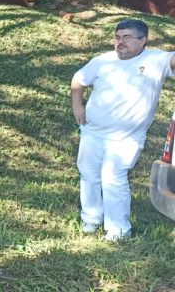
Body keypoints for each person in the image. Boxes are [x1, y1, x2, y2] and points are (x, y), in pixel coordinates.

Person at [71, 18, 175, 241]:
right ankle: (91, 219)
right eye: (117, 37)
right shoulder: (102, 61)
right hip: (92, 132)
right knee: (88, 175)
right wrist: (77, 105)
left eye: (127, 37)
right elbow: (78, 81)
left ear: (143, 40)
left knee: (112, 177)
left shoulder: (157, 59)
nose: (120, 42)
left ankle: (118, 230)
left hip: (126, 138)